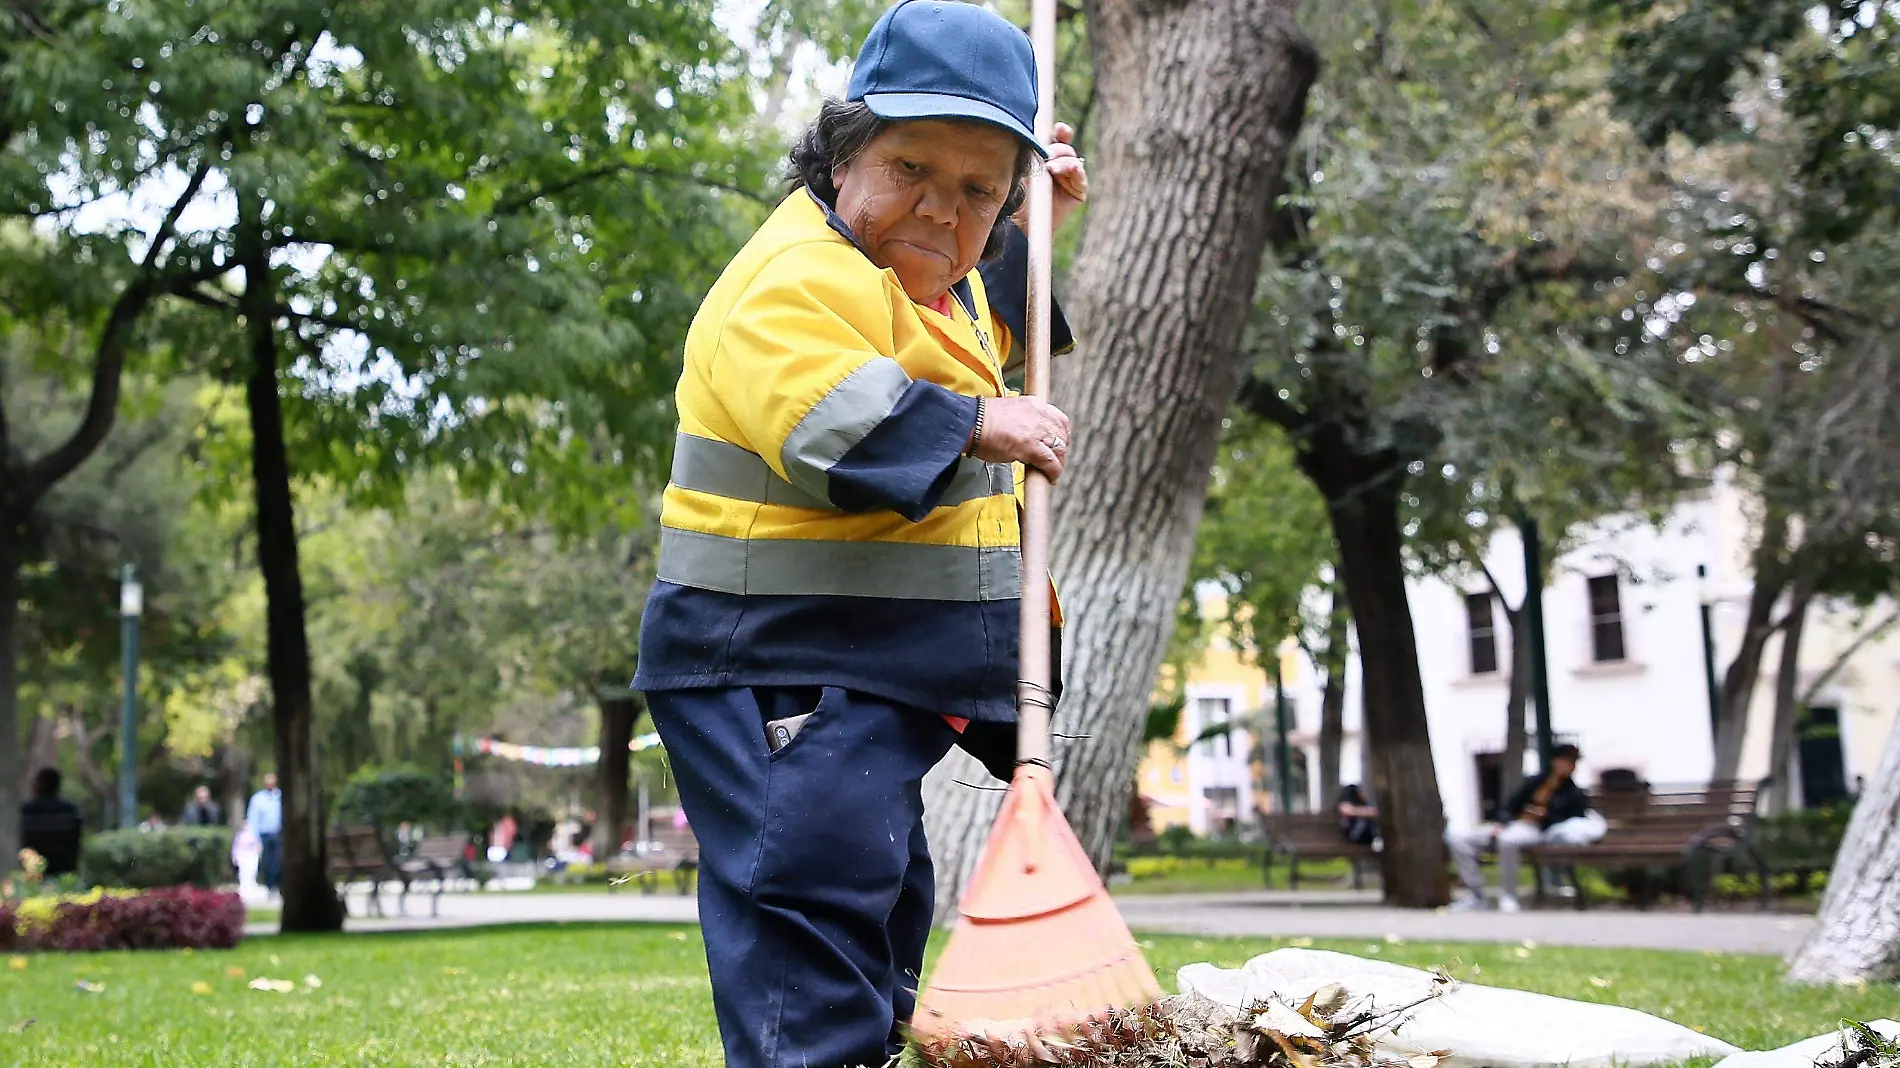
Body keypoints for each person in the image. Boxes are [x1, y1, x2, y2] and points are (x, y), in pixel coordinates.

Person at [631, 3, 1089, 1065]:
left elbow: (981, 294)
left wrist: (1029, 226)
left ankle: (865, 1045)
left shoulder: (938, 282)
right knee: (810, 895)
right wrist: (984, 421)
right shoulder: (787, 282)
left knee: (876, 897)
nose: (939, 211)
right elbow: (839, 430)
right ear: (842, 157)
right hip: (771, 658)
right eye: (911, 167)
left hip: (864, 662)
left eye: (979, 189)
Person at [1445, 744, 1607, 912]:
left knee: (1508, 840)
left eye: (1573, 762)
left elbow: (1569, 822)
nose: (1570, 766)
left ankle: (1508, 896)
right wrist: (1503, 823)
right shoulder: (1534, 782)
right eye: (1566, 761)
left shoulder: (1574, 793)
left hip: (1536, 830)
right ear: (1555, 761)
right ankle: (1476, 895)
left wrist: (1544, 816)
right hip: (1512, 824)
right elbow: (1509, 806)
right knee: (1459, 839)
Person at [19, 767, 83, 877]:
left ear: (40, 784)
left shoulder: (29, 809)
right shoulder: (69, 809)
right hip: (65, 867)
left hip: (37, 869)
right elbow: (76, 841)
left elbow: (25, 841)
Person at [245, 772, 284, 896]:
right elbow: (253, 819)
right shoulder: (258, 798)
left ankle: (280, 885)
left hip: (279, 834)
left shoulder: (281, 797)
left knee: (280, 860)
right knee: (268, 862)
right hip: (264, 835)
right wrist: (254, 838)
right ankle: (270, 886)